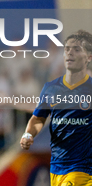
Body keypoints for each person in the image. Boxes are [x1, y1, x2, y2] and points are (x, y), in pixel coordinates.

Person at [20, 30, 92, 186]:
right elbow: (38, 118)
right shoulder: (50, 88)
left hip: (82, 167)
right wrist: (28, 134)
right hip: (57, 168)